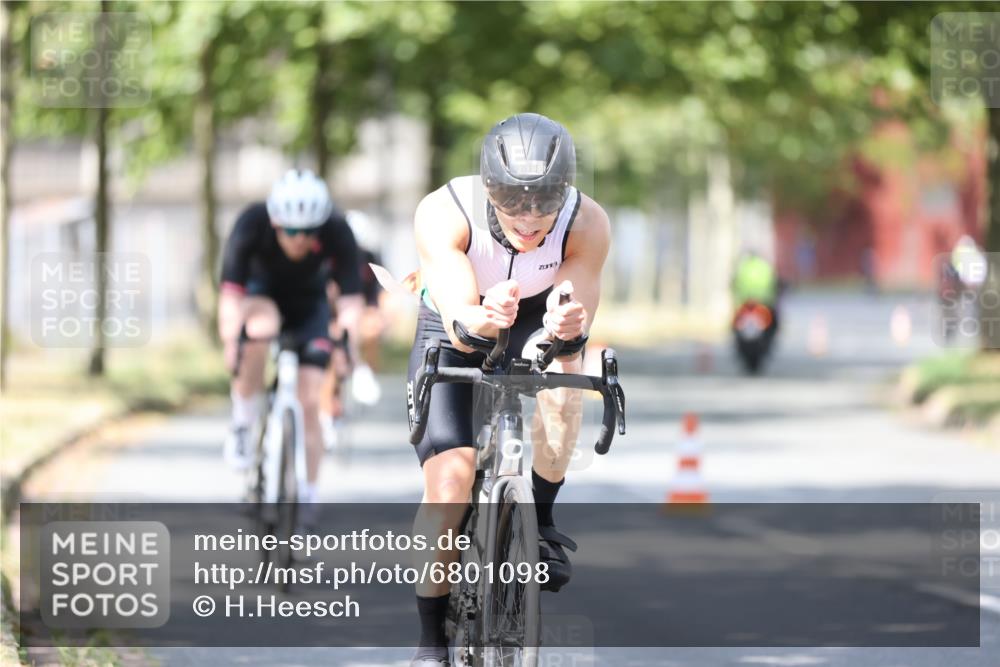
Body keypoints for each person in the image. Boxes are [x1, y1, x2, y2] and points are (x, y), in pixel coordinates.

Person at [407, 113, 611, 666]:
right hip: (460, 312)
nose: (528, 217)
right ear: (488, 188)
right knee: (451, 480)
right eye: (511, 200)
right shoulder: (444, 211)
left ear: (564, 190)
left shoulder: (586, 221)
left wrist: (568, 327)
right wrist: (480, 317)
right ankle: (430, 641)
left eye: (543, 200)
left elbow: (577, 302)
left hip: (537, 313)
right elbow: (457, 314)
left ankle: (539, 518)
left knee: (566, 378)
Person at [217, 168, 363, 522]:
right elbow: (230, 297)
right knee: (259, 328)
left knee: (310, 400)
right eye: (292, 231)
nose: (300, 239)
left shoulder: (338, 230)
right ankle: (243, 419)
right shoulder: (252, 224)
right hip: (262, 298)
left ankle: (309, 493)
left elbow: (349, 304)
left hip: (309, 308)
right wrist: (230, 345)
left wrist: (347, 349)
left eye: (308, 231)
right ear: (276, 223)